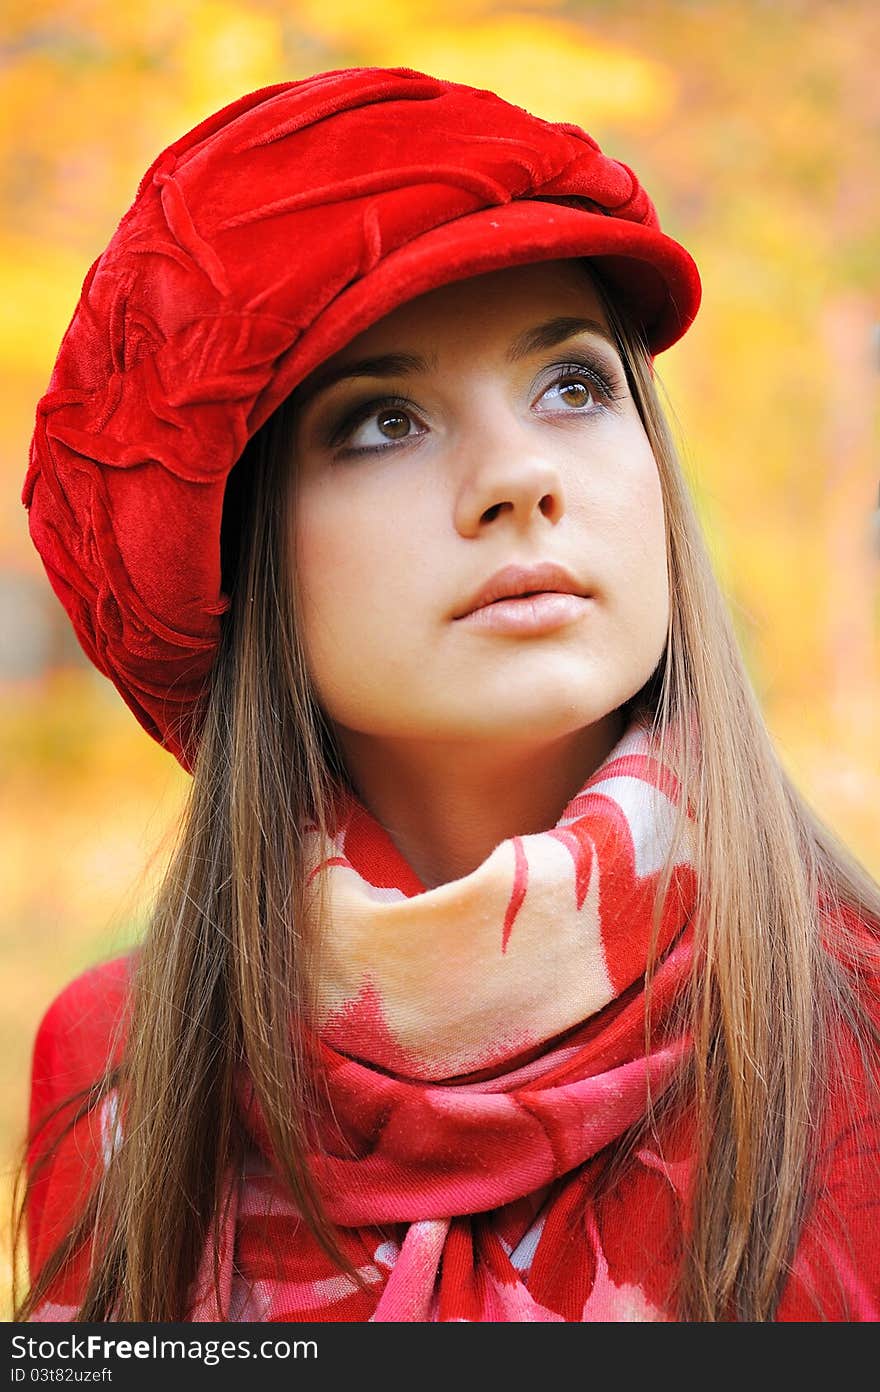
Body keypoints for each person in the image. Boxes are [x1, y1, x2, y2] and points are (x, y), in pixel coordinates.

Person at [11, 65, 880, 1324]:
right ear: (232, 555)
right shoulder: (121, 1071)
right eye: (381, 420)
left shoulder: (853, 1042)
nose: (518, 474)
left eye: (573, 385)